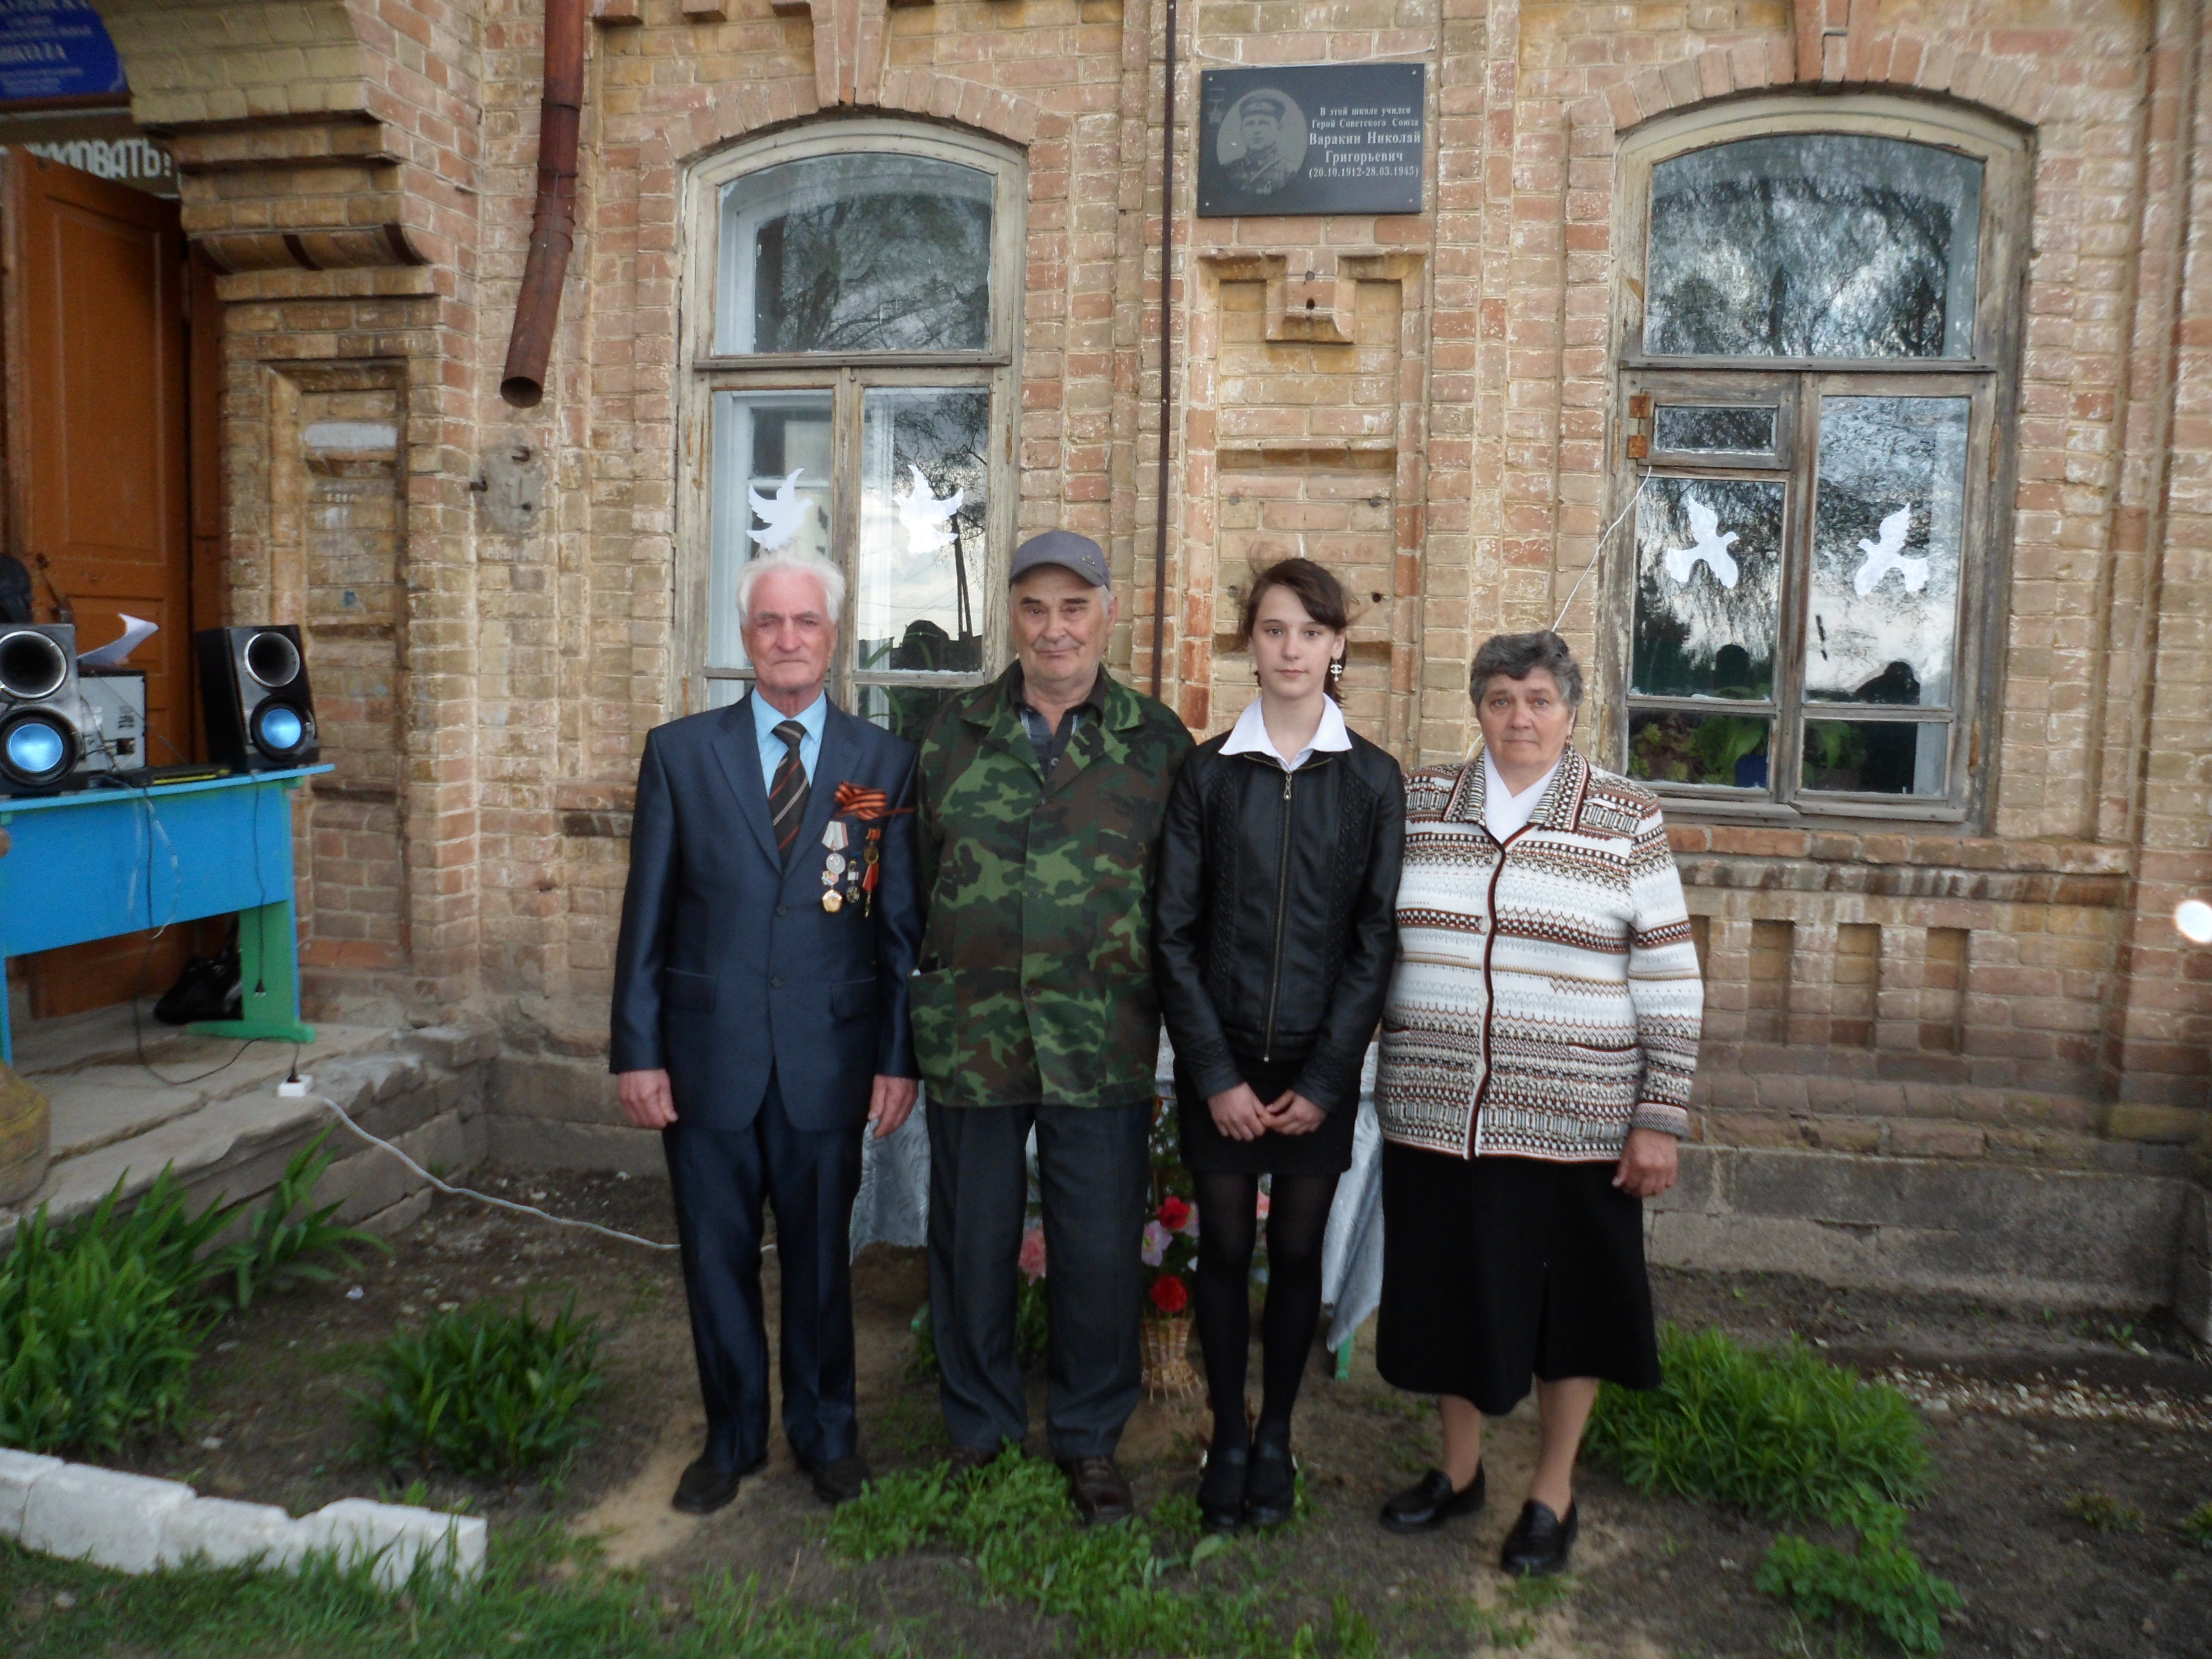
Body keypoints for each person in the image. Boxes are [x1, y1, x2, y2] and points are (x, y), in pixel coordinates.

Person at [1373, 631, 1702, 1576]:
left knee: (1571, 1314)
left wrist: (1659, 1116)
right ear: (1477, 709)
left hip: (1577, 1124)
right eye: (1502, 699)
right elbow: (1378, 945)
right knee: (1446, 1300)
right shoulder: (1425, 803)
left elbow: (1671, 979)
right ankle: (1458, 1474)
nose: (1521, 718)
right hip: (1436, 1115)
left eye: (1540, 700)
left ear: (1571, 710)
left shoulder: (1623, 817)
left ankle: (1552, 1496)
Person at [609, 548, 923, 1515]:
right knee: (716, 1256)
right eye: (768, 624)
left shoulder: (881, 762)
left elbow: (897, 923)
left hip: (829, 1058)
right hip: (707, 1059)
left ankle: (828, 1436)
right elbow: (646, 915)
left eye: (807, 623)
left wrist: (897, 1057)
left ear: (835, 635)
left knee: (824, 1262)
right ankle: (733, 1436)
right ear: (744, 638)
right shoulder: (680, 753)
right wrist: (639, 1049)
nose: (788, 640)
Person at [911, 529, 1195, 1525]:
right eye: (1034, 607)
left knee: (1098, 1251)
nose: (1054, 627)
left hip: (1101, 1041)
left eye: (1074, 606)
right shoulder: (947, 736)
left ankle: (1088, 1437)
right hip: (975, 1040)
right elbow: (913, 890)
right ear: (1012, 617)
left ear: (1106, 612)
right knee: (971, 1242)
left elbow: (1179, 907)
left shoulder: (1157, 744)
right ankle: (979, 1429)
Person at [1153, 559, 1403, 1533]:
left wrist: (1330, 1076)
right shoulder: (1207, 774)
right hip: (1223, 1063)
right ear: (1248, 644)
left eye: (1310, 631)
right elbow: (1171, 932)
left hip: (1318, 1069)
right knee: (1222, 1247)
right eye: (1272, 630)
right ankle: (1225, 1432)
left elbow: (1374, 939)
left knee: (1297, 1251)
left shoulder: (1373, 780)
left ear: (1339, 644)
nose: (1291, 649)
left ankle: (1277, 1436)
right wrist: (1211, 1075)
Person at [1226, 93, 1299, 196]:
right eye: (1250, 124)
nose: (1256, 131)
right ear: (1242, 130)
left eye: (1264, 123)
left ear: (1279, 128)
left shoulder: (1290, 172)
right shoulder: (1229, 170)